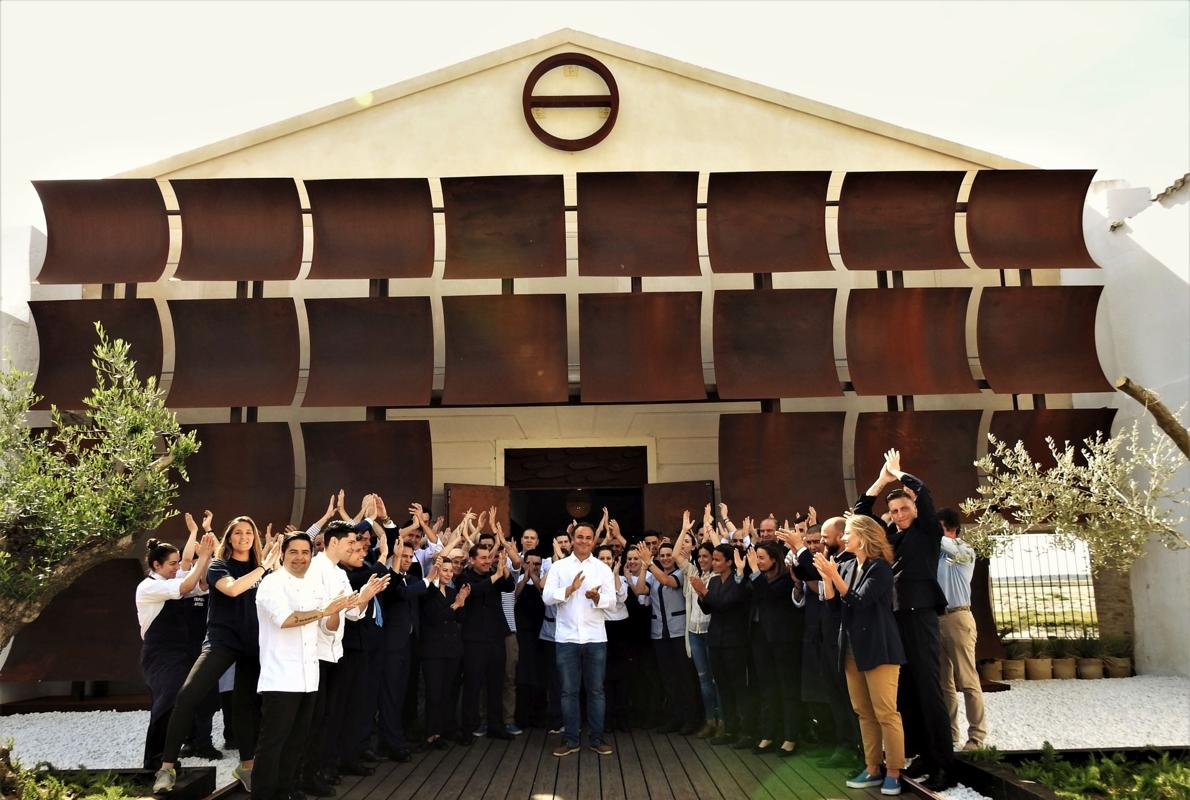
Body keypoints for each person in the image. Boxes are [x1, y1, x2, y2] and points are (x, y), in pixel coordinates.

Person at [154, 517, 281, 795]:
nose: (244, 537)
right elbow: (233, 589)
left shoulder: (266, 571)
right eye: (238, 532)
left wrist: (272, 567)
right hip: (222, 642)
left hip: (253, 645)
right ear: (229, 537)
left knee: (245, 707)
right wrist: (264, 567)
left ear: (255, 538)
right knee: (187, 696)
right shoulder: (218, 566)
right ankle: (167, 767)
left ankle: (247, 767)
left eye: (249, 532)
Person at [855, 449, 955, 791]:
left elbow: (925, 495)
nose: (899, 514)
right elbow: (860, 516)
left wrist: (899, 475)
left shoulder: (928, 531)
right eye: (894, 510)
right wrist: (880, 482)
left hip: (921, 617)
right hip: (894, 620)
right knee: (906, 692)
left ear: (913, 509)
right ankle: (922, 755)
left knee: (929, 690)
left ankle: (944, 764)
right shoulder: (889, 538)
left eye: (904, 509)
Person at [253, 532, 356, 800]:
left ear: (312, 554)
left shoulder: (312, 586)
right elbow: (286, 619)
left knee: (297, 743)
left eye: (305, 552)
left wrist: (339, 609)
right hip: (280, 677)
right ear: (283, 554)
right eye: (294, 552)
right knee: (273, 744)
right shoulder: (272, 583)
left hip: (309, 678)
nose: (300, 558)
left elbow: (328, 627)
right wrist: (325, 611)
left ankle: (285, 792)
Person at [815, 514, 907, 797]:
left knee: (885, 713)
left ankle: (893, 771)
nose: (843, 538)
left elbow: (860, 601)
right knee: (863, 712)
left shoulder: (881, 568)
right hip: (852, 651)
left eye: (848, 534)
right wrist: (828, 580)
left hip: (879, 649)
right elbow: (835, 609)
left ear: (864, 536)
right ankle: (872, 767)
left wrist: (834, 577)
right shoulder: (845, 566)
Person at [136, 530, 217, 770]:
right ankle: (153, 759)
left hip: (179, 653)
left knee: (177, 702)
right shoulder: (148, 587)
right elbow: (186, 585)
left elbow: (199, 586)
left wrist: (207, 559)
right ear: (156, 564)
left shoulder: (169, 582)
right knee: (165, 701)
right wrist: (202, 557)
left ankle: (166, 756)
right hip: (160, 654)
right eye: (172, 563)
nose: (176, 567)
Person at [787, 516, 861, 763]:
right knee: (828, 694)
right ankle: (835, 743)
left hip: (839, 638)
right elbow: (807, 578)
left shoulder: (848, 561)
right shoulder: (829, 561)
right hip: (818, 636)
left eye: (820, 540)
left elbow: (824, 587)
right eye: (809, 542)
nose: (815, 545)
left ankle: (851, 747)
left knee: (844, 696)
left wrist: (799, 548)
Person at [543, 523, 616, 757]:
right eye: (580, 537)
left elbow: (612, 602)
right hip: (566, 638)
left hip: (595, 637)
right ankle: (571, 740)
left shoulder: (602, 568)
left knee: (596, 691)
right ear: (572, 539)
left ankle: (596, 739)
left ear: (594, 540)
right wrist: (569, 589)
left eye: (588, 537)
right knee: (568, 691)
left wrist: (597, 598)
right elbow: (546, 597)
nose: (584, 541)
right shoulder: (559, 567)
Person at [635, 540, 702, 735]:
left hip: (678, 632)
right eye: (661, 555)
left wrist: (650, 565)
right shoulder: (652, 574)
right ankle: (674, 718)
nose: (665, 558)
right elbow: (640, 589)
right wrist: (643, 567)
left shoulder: (680, 573)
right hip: (659, 633)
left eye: (668, 555)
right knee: (668, 678)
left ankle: (691, 719)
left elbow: (668, 582)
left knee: (684, 677)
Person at [936, 507, 986, 750]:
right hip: (935, 620)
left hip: (958, 617)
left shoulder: (964, 550)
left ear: (951, 529)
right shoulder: (935, 554)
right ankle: (950, 732)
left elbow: (948, 546)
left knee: (967, 680)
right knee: (943, 682)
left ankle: (976, 737)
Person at [692, 544, 751, 748]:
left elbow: (727, 603)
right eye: (713, 559)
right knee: (723, 686)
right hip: (716, 639)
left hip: (735, 641)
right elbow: (709, 609)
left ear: (729, 562)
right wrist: (702, 596)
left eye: (718, 560)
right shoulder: (715, 580)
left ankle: (747, 731)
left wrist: (704, 591)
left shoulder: (738, 580)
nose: (714, 563)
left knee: (738, 686)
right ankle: (731, 729)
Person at [747, 539, 802, 755]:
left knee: (787, 688)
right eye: (756, 558)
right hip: (760, 639)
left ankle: (790, 737)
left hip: (783, 641)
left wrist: (754, 572)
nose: (758, 562)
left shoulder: (786, 579)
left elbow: (770, 596)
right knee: (767, 687)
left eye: (761, 558)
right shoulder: (758, 579)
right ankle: (769, 733)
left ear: (774, 559)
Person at [458, 541, 516, 743]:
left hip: (496, 639)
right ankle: (467, 729)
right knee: (472, 686)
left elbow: (509, 587)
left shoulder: (497, 575)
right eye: (483, 558)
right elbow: (475, 590)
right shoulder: (464, 576)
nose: (487, 561)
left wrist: (504, 572)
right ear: (472, 560)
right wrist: (496, 575)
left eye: (489, 557)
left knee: (496, 684)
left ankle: (495, 726)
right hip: (473, 641)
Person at [419, 551, 471, 749]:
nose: (448, 574)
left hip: (452, 650)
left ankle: (442, 731)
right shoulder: (428, 593)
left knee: (448, 692)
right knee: (433, 693)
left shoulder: (451, 593)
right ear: (436, 571)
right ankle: (430, 733)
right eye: (445, 570)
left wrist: (462, 602)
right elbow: (434, 618)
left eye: (450, 571)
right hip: (433, 651)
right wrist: (456, 605)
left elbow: (460, 618)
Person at [673, 521, 719, 739]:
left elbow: (721, 549)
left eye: (706, 557)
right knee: (704, 679)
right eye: (699, 556)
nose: (702, 560)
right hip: (694, 632)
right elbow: (675, 555)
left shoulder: (718, 576)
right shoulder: (692, 571)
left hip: (712, 632)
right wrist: (683, 531)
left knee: (718, 678)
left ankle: (724, 722)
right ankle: (710, 720)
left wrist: (710, 531)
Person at [597, 544, 632, 733]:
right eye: (601, 558)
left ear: (614, 560)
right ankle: (607, 719)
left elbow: (621, 597)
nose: (605, 562)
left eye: (608, 558)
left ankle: (623, 718)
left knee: (623, 676)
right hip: (603, 629)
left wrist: (616, 574)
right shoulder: (593, 578)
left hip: (621, 629)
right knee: (605, 677)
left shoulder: (619, 578)